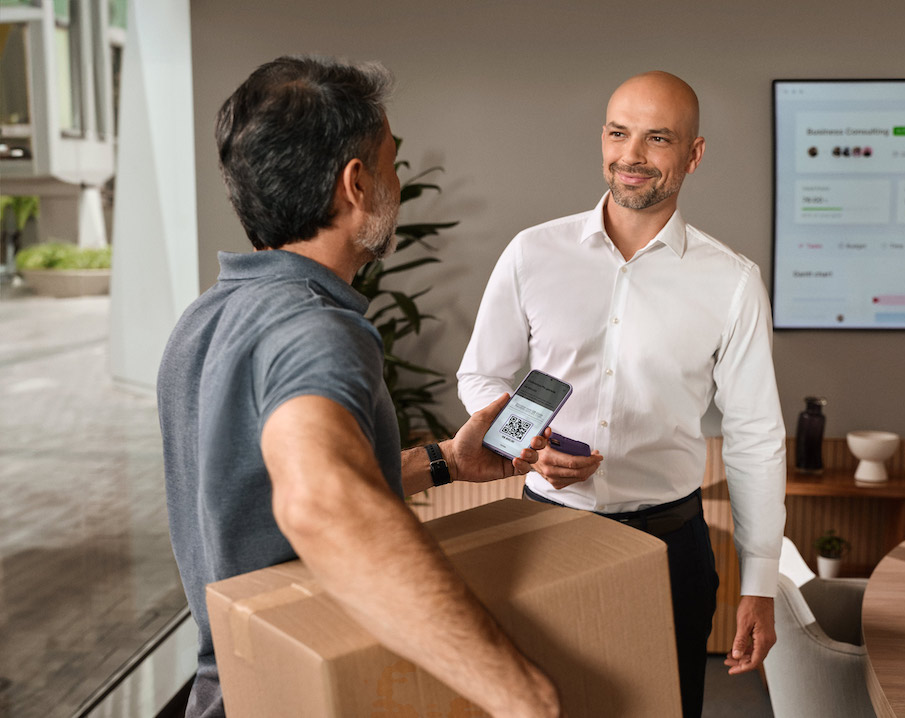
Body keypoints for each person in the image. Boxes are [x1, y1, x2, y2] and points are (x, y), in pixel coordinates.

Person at [157, 56, 560, 718]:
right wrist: (523, 698)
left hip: (233, 689)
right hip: (298, 698)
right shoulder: (315, 330)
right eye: (391, 165)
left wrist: (445, 461)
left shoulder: (208, 317)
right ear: (357, 184)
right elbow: (321, 501)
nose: (396, 185)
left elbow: (264, 494)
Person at [457, 70, 786, 717]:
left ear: (693, 154)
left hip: (668, 549)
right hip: (541, 536)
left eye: (657, 138)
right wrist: (527, 444)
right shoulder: (533, 252)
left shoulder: (732, 281)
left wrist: (761, 583)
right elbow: (481, 376)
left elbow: (755, 436)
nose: (631, 155)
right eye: (618, 133)